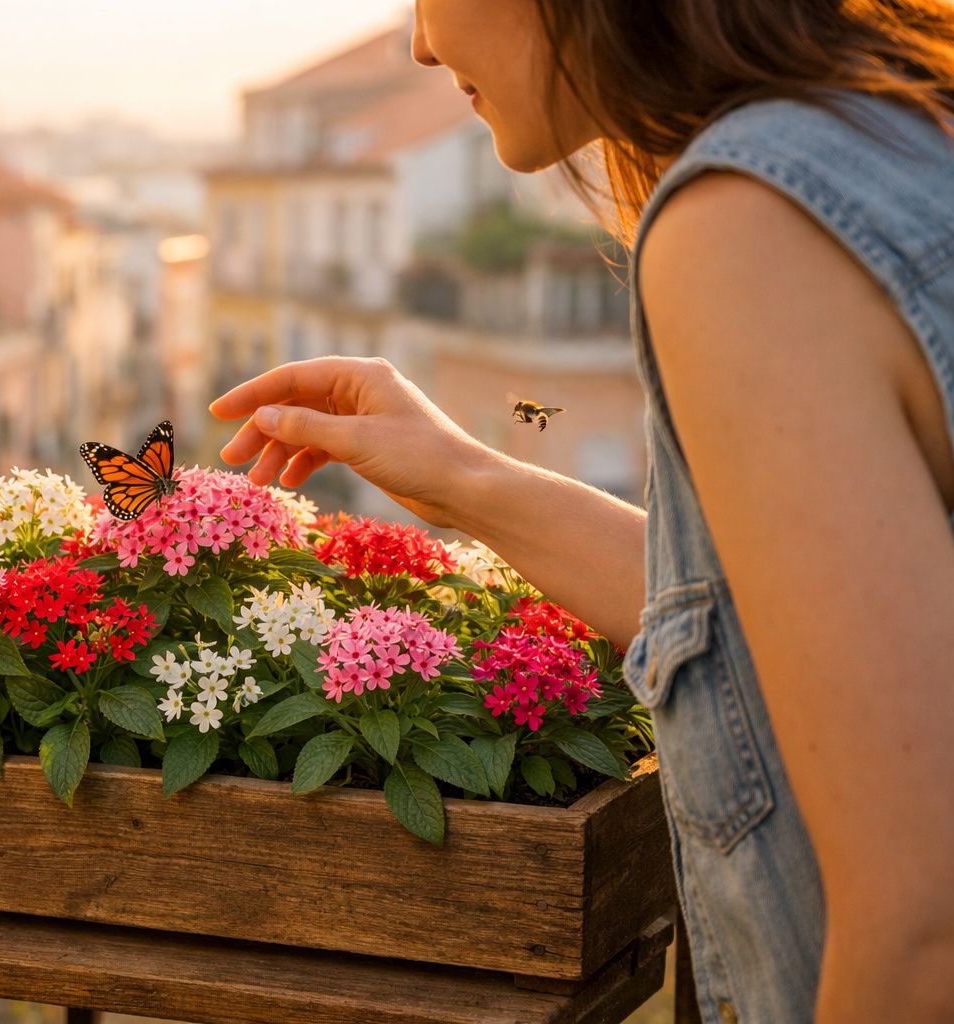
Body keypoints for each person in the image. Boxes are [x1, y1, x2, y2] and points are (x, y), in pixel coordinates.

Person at [210, 2, 954, 1022]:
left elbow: (921, 928)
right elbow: (782, 628)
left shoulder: (749, 224)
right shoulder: (883, 129)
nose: (420, 43)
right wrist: (462, 477)